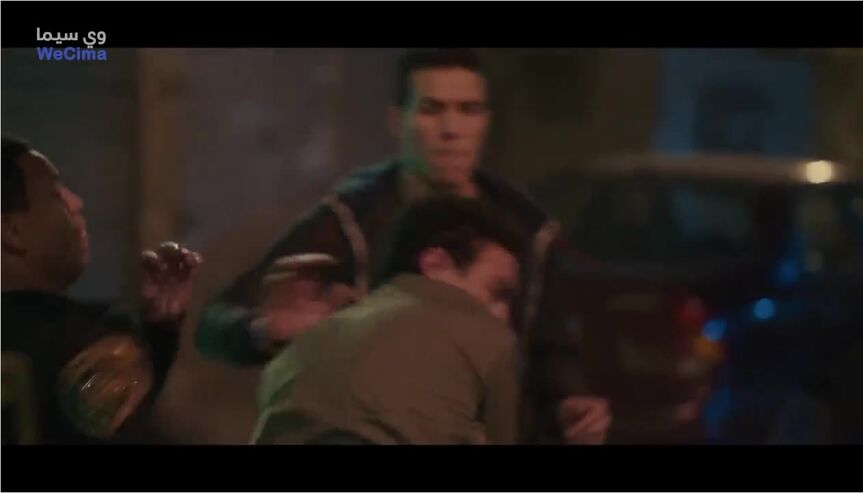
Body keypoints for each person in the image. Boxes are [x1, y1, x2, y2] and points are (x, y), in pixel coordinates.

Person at [196, 48, 611, 444]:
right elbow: (215, 323)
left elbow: (550, 347)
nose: (451, 129)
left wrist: (570, 403)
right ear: (398, 120)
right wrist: (262, 329)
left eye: (468, 110)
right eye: (432, 109)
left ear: (486, 120)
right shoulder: (349, 222)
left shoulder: (526, 230)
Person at [253, 197, 523, 445]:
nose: (503, 314)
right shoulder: (488, 338)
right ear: (436, 264)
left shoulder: (308, 342)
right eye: (497, 292)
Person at [1, 136, 202, 444]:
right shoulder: (81, 338)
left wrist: (157, 334)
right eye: (56, 193)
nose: (76, 202)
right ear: (12, 232)